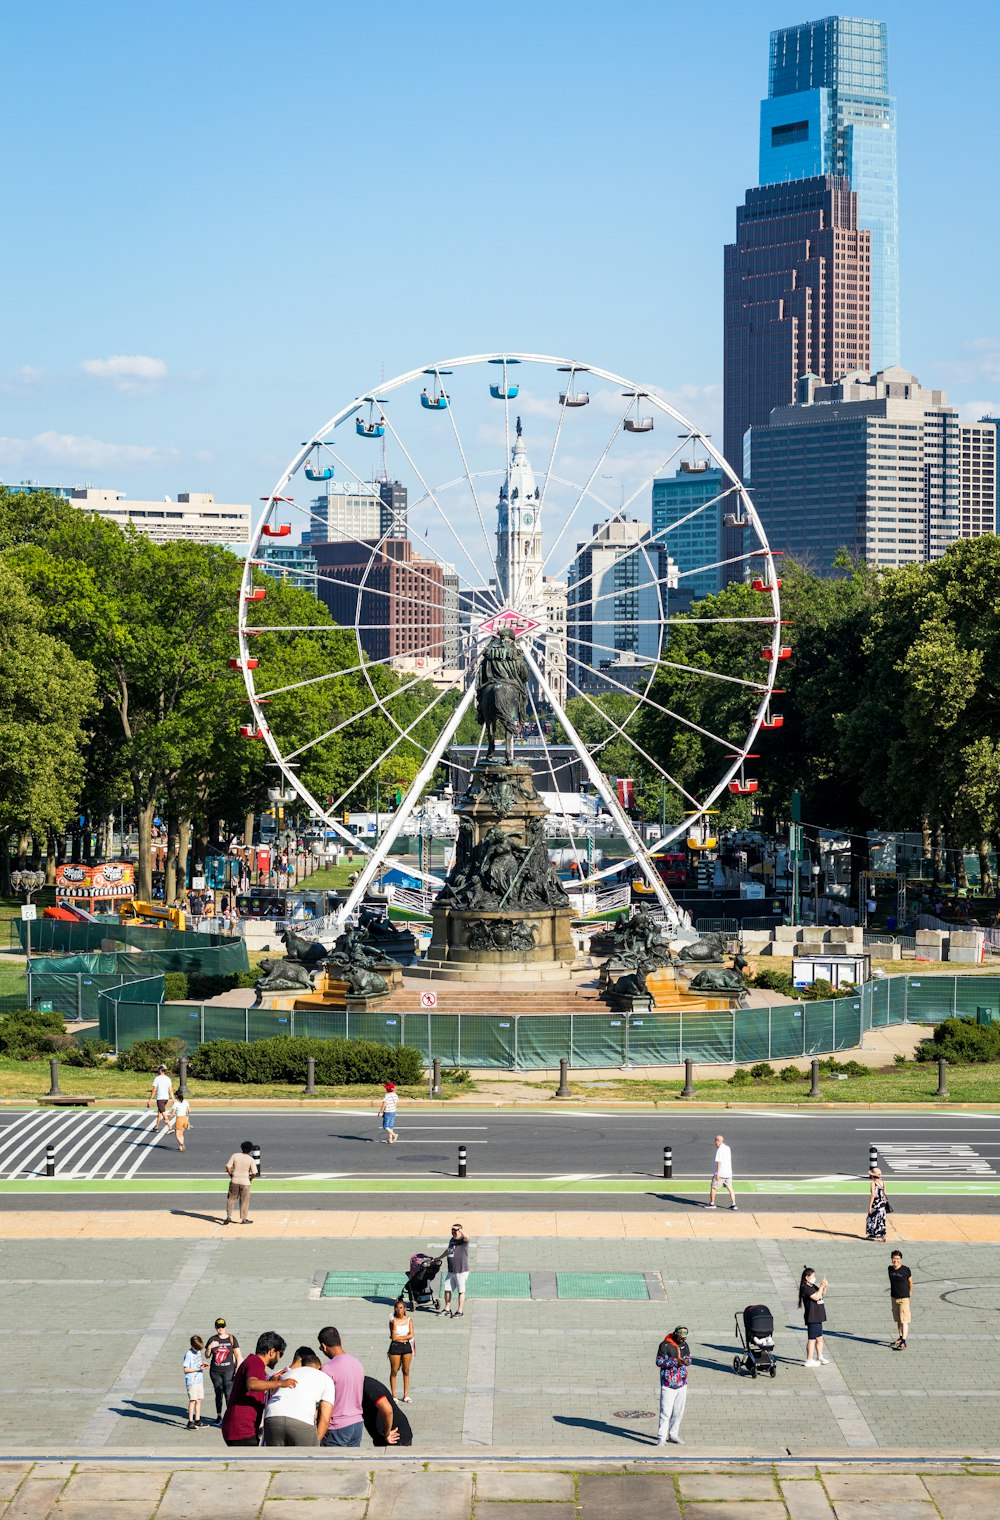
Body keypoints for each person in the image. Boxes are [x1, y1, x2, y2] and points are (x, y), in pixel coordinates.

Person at [220, 1331, 294, 1446]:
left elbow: (254, 1387)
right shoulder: (256, 1362)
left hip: (236, 1427)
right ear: (272, 1351)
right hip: (242, 1429)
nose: (279, 1359)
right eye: (280, 1354)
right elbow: (252, 1384)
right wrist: (280, 1383)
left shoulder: (251, 1362)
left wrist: (270, 1381)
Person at [262, 1346, 335, 1447]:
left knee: (277, 1459)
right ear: (320, 1366)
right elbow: (325, 1419)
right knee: (304, 1460)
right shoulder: (326, 1378)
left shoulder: (288, 1374)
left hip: (272, 1417)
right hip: (301, 1419)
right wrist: (315, 1444)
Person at [318, 1327, 365, 1447]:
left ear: (323, 1346)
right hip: (357, 1423)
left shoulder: (328, 1369)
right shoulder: (357, 1363)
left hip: (337, 1426)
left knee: (331, 1463)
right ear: (341, 1341)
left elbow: (322, 1402)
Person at [655, 1326, 691, 1446]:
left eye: (684, 1338)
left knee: (678, 1412)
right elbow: (659, 1361)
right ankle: (661, 1437)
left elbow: (689, 1358)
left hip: (682, 1383)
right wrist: (675, 1361)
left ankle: (673, 1434)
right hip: (668, 1383)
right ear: (675, 1335)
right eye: (681, 1337)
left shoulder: (684, 1345)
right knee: (665, 1412)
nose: (682, 1340)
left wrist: (686, 1361)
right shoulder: (665, 1345)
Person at [205, 1318, 241, 1424]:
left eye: (222, 1327)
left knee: (229, 1394)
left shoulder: (231, 1338)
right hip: (215, 1371)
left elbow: (238, 1355)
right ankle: (219, 1416)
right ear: (215, 1328)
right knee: (218, 1392)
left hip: (229, 1371)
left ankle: (230, 1416)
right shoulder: (212, 1339)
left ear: (225, 1327)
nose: (220, 1329)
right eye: (218, 1327)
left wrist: (237, 1368)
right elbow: (207, 1356)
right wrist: (210, 1347)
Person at [362, 1373, 413, 1446]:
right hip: (384, 1437)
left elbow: (387, 1410)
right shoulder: (363, 1383)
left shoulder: (368, 1387)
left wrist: (386, 1434)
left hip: (395, 1437)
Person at [798, 1266, 829, 1366]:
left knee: (819, 1338)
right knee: (812, 1339)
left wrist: (824, 1287)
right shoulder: (805, 1288)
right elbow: (816, 1297)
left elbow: (821, 1294)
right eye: (812, 1276)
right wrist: (820, 1287)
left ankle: (820, 1356)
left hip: (818, 1315)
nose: (814, 1278)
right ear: (807, 1277)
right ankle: (809, 1359)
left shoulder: (812, 1286)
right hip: (812, 1316)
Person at [224, 1140, 258, 1225]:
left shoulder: (235, 1155)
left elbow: (228, 1166)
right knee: (244, 1201)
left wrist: (231, 1175)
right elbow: (254, 1173)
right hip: (245, 1182)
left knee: (231, 1199)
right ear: (250, 1150)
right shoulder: (251, 1159)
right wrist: (250, 1179)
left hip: (234, 1180)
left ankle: (229, 1216)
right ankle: (244, 1219)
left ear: (242, 1148)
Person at [387, 1300, 415, 1403]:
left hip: (406, 1346)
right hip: (395, 1347)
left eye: (401, 1308)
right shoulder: (392, 1321)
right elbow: (393, 1337)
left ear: (405, 1309)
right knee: (394, 1371)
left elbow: (411, 1335)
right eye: (397, 1308)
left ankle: (405, 1395)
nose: (399, 1310)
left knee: (406, 1370)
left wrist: (401, 1337)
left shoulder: (409, 1320)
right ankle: (393, 1395)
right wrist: (394, 1325)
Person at [443, 1223, 470, 1318]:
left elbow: (467, 1237)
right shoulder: (452, 1240)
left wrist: (459, 1229)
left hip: (461, 1270)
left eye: (455, 1230)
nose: (453, 1232)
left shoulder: (463, 1240)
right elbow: (448, 1251)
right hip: (451, 1270)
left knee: (461, 1291)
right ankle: (447, 1309)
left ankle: (460, 1311)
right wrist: (439, 1257)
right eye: (452, 1230)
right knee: (447, 1289)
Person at [182, 1335, 208, 1430]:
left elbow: (199, 1361)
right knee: (192, 1400)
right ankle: (190, 1422)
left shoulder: (198, 1352)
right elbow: (186, 1369)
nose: (197, 1350)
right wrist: (198, 1368)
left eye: (199, 1349)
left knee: (199, 1400)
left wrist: (203, 1364)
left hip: (199, 1380)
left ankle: (197, 1420)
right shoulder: (188, 1354)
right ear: (192, 1346)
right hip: (192, 1381)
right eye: (196, 1348)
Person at [888, 1250, 912, 1350]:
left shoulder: (906, 1270)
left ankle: (903, 1342)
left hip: (904, 1298)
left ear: (901, 1259)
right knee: (898, 1320)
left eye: (898, 1259)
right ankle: (900, 1337)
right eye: (894, 1258)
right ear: (891, 1259)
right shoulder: (890, 1269)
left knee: (904, 1320)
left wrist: (909, 1293)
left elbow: (910, 1282)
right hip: (894, 1298)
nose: (896, 1260)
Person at [707, 1134, 737, 1210]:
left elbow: (719, 1162)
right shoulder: (728, 1148)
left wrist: (717, 1173)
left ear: (719, 1141)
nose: (715, 1143)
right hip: (728, 1173)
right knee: (730, 1188)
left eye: (716, 1141)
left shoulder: (719, 1150)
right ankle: (734, 1204)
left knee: (713, 1187)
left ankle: (712, 1203)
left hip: (721, 1173)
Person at [146, 1065, 174, 1131]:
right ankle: (156, 1127)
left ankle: (170, 1128)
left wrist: (150, 1100)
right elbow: (170, 1090)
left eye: (159, 1069)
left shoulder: (157, 1078)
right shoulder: (168, 1079)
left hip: (160, 1099)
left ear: (160, 1070)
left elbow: (154, 1090)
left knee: (163, 1113)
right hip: (166, 1098)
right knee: (159, 1112)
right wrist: (173, 1099)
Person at [866, 1166, 888, 1241]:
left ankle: (872, 1233)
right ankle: (883, 1235)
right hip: (882, 1203)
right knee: (881, 1219)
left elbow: (873, 1195)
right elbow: (884, 1193)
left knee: (871, 1218)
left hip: (876, 1203)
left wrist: (870, 1206)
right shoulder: (883, 1182)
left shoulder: (873, 1183)